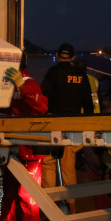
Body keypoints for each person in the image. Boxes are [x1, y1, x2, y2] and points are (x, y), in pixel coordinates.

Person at [0, 52, 48, 221]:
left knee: (27, 199)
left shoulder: (28, 83)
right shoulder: (8, 84)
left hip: (29, 152)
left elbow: (42, 106)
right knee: (10, 192)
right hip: (12, 149)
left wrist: (22, 85)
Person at [39, 43, 93, 212]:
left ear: (56, 55)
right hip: (73, 123)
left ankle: (50, 204)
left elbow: (43, 96)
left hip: (53, 122)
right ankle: (71, 205)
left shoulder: (53, 73)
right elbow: (88, 103)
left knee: (49, 162)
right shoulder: (81, 75)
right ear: (72, 57)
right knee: (68, 164)